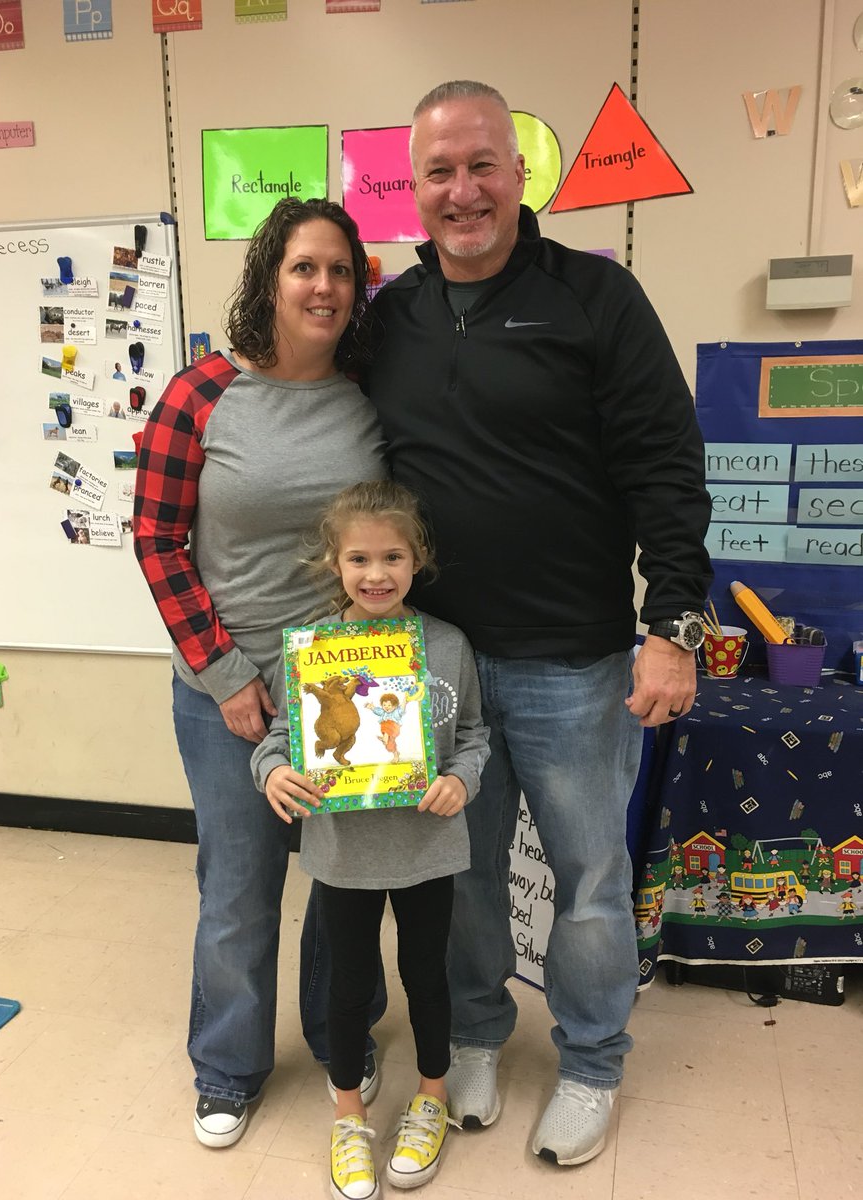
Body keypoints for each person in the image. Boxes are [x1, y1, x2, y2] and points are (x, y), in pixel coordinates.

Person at [365, 80, 713, 1167]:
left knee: (590, 876)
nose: (461, 190)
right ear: (414, 189)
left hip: (575, 658)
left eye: (482, 165)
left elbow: (667, 465)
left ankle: (595, 1058)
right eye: (439, 171)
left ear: (521, 175)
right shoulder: (393, 319)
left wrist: (674, 626)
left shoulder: (597, 299)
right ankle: (475, 1034)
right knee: (461, 873)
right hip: (443, 664)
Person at [134, 198, 388, 1150]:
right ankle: (229, 1066)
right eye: (303, 268)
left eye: (340, 271)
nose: (324, 287)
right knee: (239, 885)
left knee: (339, 882)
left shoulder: (370, 391)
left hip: (346, 687)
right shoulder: (202, 393)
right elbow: (157, 541)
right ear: (269, 279)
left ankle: (339, 1039)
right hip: (226, 693)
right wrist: (227, 672)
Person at [251, 480, 490, 1198]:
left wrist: (462, 781)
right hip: (343, 853)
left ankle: (431, 1097)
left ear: (419, 560)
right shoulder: (312, 650)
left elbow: (474, 736)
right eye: (359, 558)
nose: (376, 573)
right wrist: (272, 773)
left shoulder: (445, 646)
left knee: (426, 976)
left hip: (427, 847)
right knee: (349, 985)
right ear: (333, 563)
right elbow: (276, 739)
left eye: (393, 556)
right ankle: (349, 1114)